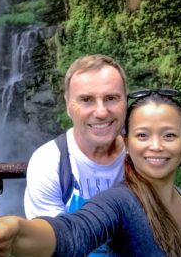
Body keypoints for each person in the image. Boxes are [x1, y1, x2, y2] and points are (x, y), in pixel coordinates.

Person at [0, 89, 181, 257]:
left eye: (169, 135)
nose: (156, 146)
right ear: (126, 145)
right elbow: (72, 233)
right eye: (142, 135)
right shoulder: (119, 203)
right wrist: (16, 232)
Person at [24, 54, 127, 219]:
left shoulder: (143, 155)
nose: (101, 112)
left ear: (126, 100)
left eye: (111, 98)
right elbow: (54, 239)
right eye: (86, 100)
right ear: (68, 105)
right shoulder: (49, 163)